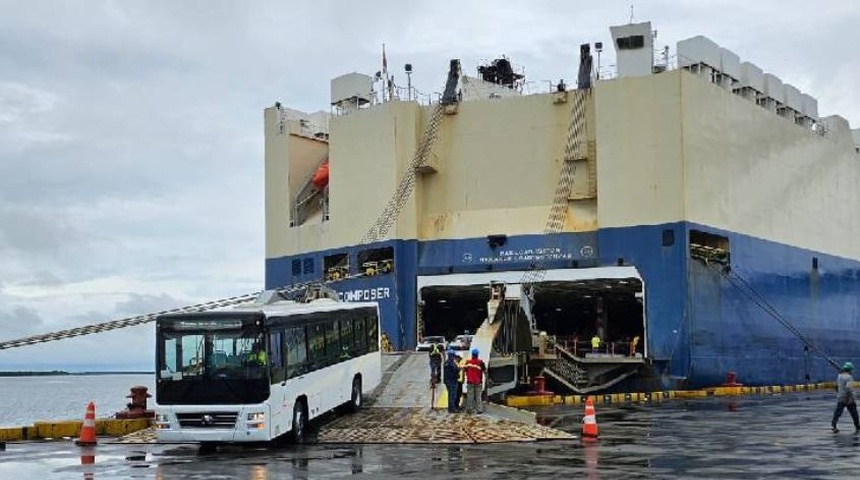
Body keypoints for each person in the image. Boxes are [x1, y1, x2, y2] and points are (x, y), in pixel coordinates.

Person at [831, 362, 860, 433]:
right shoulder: (849, 377)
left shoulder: (839, 376)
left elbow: (836, 387)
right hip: (848, 398)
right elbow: (849, 388)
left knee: (837, 412)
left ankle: (834, 425)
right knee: (854, 414)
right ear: (850, 370)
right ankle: (857, 426)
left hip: (841, 397)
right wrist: (851, 398)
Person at [464, 348, 486, 414]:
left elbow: (465, 370)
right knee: (478, 396)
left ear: (472, 354)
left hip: (470, 381)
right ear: (477, 355)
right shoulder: (481, 362)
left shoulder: (468, 362)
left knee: (470, 396)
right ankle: (479, 410)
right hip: (478, 382)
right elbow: (485, 371)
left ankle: (469, 409)